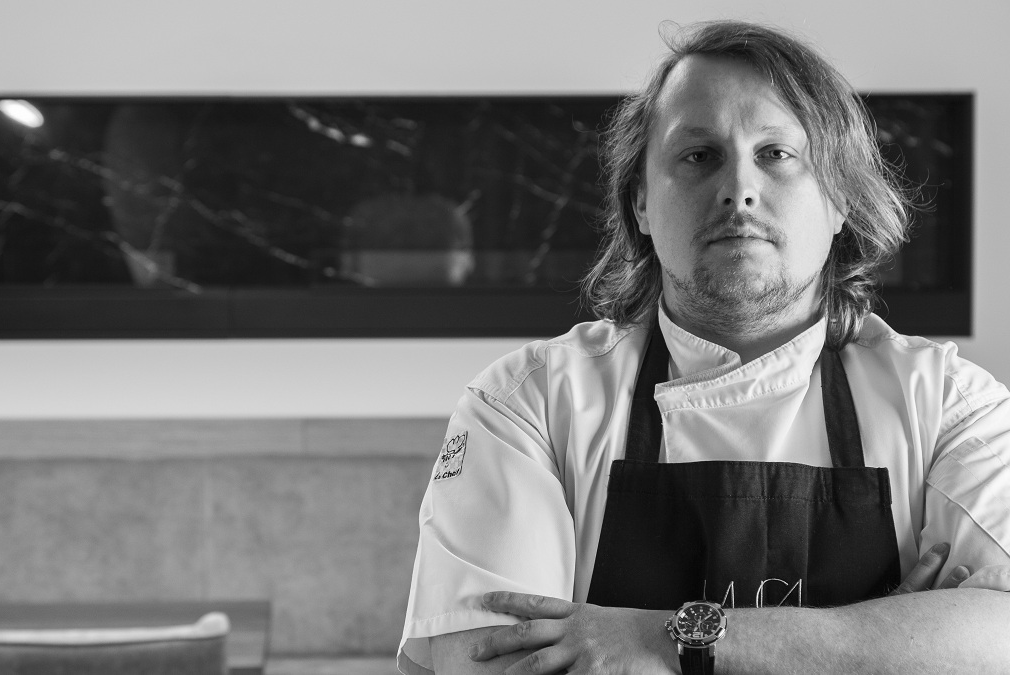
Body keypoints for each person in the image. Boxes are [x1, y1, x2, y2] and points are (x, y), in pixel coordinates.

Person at [398, 20, 1010, 675]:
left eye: (776, 153)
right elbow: (486, 660)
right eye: (698, 155)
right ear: (640, 202)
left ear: (839, 201)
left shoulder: (948, 402)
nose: (737, 189)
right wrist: (878, 642)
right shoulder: (530, 402)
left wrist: (661, 639)